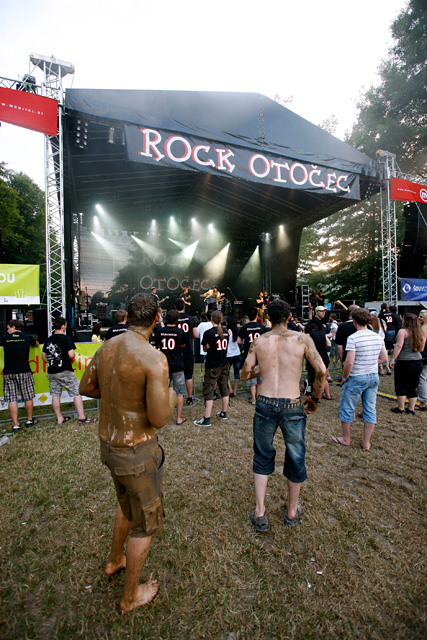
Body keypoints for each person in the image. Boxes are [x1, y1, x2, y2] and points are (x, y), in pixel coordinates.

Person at [79, 293, 177, 614]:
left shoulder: (107, 347)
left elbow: (86, 387)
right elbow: (160, 418)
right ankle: (129, 597)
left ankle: (114, 560)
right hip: (136, 451)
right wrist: (173, 396)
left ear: (129, 316)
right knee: (145, 524)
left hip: (109, 445)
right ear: (156, 317)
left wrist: (120, 396)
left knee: (126, 504)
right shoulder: (152, 358)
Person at [242, 299, 326, 532]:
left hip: (265, 403)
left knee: (262, 454)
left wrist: (264, 368)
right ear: (289, 317)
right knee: (296, 455)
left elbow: (245, 374)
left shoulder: (259, 342)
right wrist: (315, 399)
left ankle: (260, 513)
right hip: (292, 404)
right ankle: (291, 511)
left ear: (268, 318)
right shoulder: (302, 338)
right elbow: (321, 370)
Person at [332, 308, 388, 450]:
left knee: (347, 407)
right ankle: (366, 442)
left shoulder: (353, 338)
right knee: (370, 409)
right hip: (373, 376)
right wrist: (370, 362)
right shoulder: (377, 337)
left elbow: (349, 362)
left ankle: (346, 438)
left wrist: (344, 377)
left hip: (356, 377)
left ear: (354, 321)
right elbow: (384, 358)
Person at [42, 317, 95, 426]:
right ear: (62, 326)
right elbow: (71, 354)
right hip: (65, 370)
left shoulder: (48, 340)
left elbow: (43, 356)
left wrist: (52, 362)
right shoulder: (66, 339)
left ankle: (59, 418)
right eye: (65, 325)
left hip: (52, 372)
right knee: (76, 393)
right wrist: (70, 358)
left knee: (55, 395)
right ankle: (82, 417)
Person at [0, 319, 39, 432]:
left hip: (9, 372)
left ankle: (15, 424)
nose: (7, 331)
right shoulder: (27, 337)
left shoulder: (4, 338)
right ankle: (29, 419)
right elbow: (36, 344)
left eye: (8, 328)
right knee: (28, 396)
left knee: (12, 399)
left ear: (13, 327)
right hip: (24, 371)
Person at [194, 310, 230, 426]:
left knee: (209, 390)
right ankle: (224, 413)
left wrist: (208, 346)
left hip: (213, 365)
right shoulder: (226, 332)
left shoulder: (208, 333)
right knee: (224, 388)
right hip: (224, 364)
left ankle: (207, 418)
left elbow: (205, 349)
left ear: (211, 319)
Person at [154, 309, 187, 425]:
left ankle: (163, 416)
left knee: (163, 391)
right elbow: (183, 345)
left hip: (164, 365)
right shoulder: (180, 332)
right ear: (177, 319)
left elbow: (157, 345)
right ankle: (179, 418)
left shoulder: (160, 331)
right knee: (179, 392)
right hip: (177, 364)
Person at [389, 313, 425, 415]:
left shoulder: (403, 331)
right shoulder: (419, 332)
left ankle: (400, 408)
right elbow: (421, 348)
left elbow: (399, 346)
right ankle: (411, 408)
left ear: (406, 321)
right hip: (417, 361)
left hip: (404, 361)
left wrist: (392, 359)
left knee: (401, 385)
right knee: (412, 386)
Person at [238, 308, 266, 405]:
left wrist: (244, 344)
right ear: (256, 316)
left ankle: (253, 398)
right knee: (259, 376)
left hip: (249, 355)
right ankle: (258, 396)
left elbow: (238, 341)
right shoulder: (261, 327)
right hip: (260, 355)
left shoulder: (244, 327)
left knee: (251, 377)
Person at [174, 298, 198, 405]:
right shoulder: (190, 319)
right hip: (188, 350)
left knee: (176, 375)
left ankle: (177, 397)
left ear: (175, 307)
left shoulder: (172, 318)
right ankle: (189, 398)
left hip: (176, 351)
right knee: (188, 375)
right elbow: (195, 335)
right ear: (184, 306)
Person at [304, 323, 332, 400]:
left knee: (314, 377)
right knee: (324, 376)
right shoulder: (322, 334)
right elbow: (329, 344)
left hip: (314, 357)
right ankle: (328, 394)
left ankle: (315, 396)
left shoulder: (308, 335)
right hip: (324, 356)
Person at [226, 315, 242, 397]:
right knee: (237, 373)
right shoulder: (237, 331)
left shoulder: (227, 331)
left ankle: (230, 390)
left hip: (229, 354)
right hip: (237, 353)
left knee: (226, 373)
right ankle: (235, 391)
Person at [416, 310, 427, 411]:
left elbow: (422, 345)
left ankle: (423, 401)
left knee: (421, 378)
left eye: (421, 317)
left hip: (424, 356)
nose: (419, 318)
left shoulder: (424, 328)